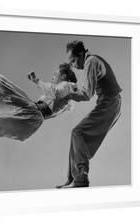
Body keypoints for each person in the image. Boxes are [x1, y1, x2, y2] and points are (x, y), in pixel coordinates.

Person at [0, 63, 78, 158]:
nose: (53, 77)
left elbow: (55, 91)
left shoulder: (66, 85)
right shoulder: (65, 96)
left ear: (63, 76)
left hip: (33, 112)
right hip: (33, 114)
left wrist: (37, 81)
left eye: (55, 75)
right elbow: (56, 99)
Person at [56, 40, 122, 188]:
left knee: (77, 132)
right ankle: (72, 178)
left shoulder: (91, 62)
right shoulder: (91, 61)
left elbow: (86, 94)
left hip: (110, 103)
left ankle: (81, 177)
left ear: (81, 54)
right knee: (77, 136)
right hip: (109, 103)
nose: (73, 65)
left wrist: (67, 94)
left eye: (73, 61)